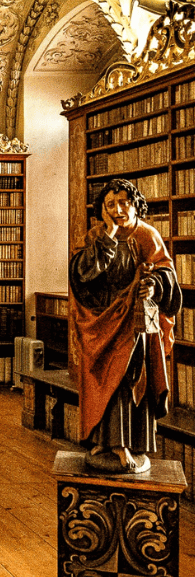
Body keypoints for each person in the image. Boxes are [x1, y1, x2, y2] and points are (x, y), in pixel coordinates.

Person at [69, 178, 181, 473]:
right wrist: (109, 235)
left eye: (123, 203)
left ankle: (127, 444)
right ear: (102, 210)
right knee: (103, 378)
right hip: (103, 320)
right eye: (110, 205)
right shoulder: (96, 235)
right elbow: (82, 275)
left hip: (135, 323)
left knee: (130, 380)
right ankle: (104, 441)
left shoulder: (148, 234)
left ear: (135, 204)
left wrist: (154, 286)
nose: (118, 210)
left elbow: (167, 273)